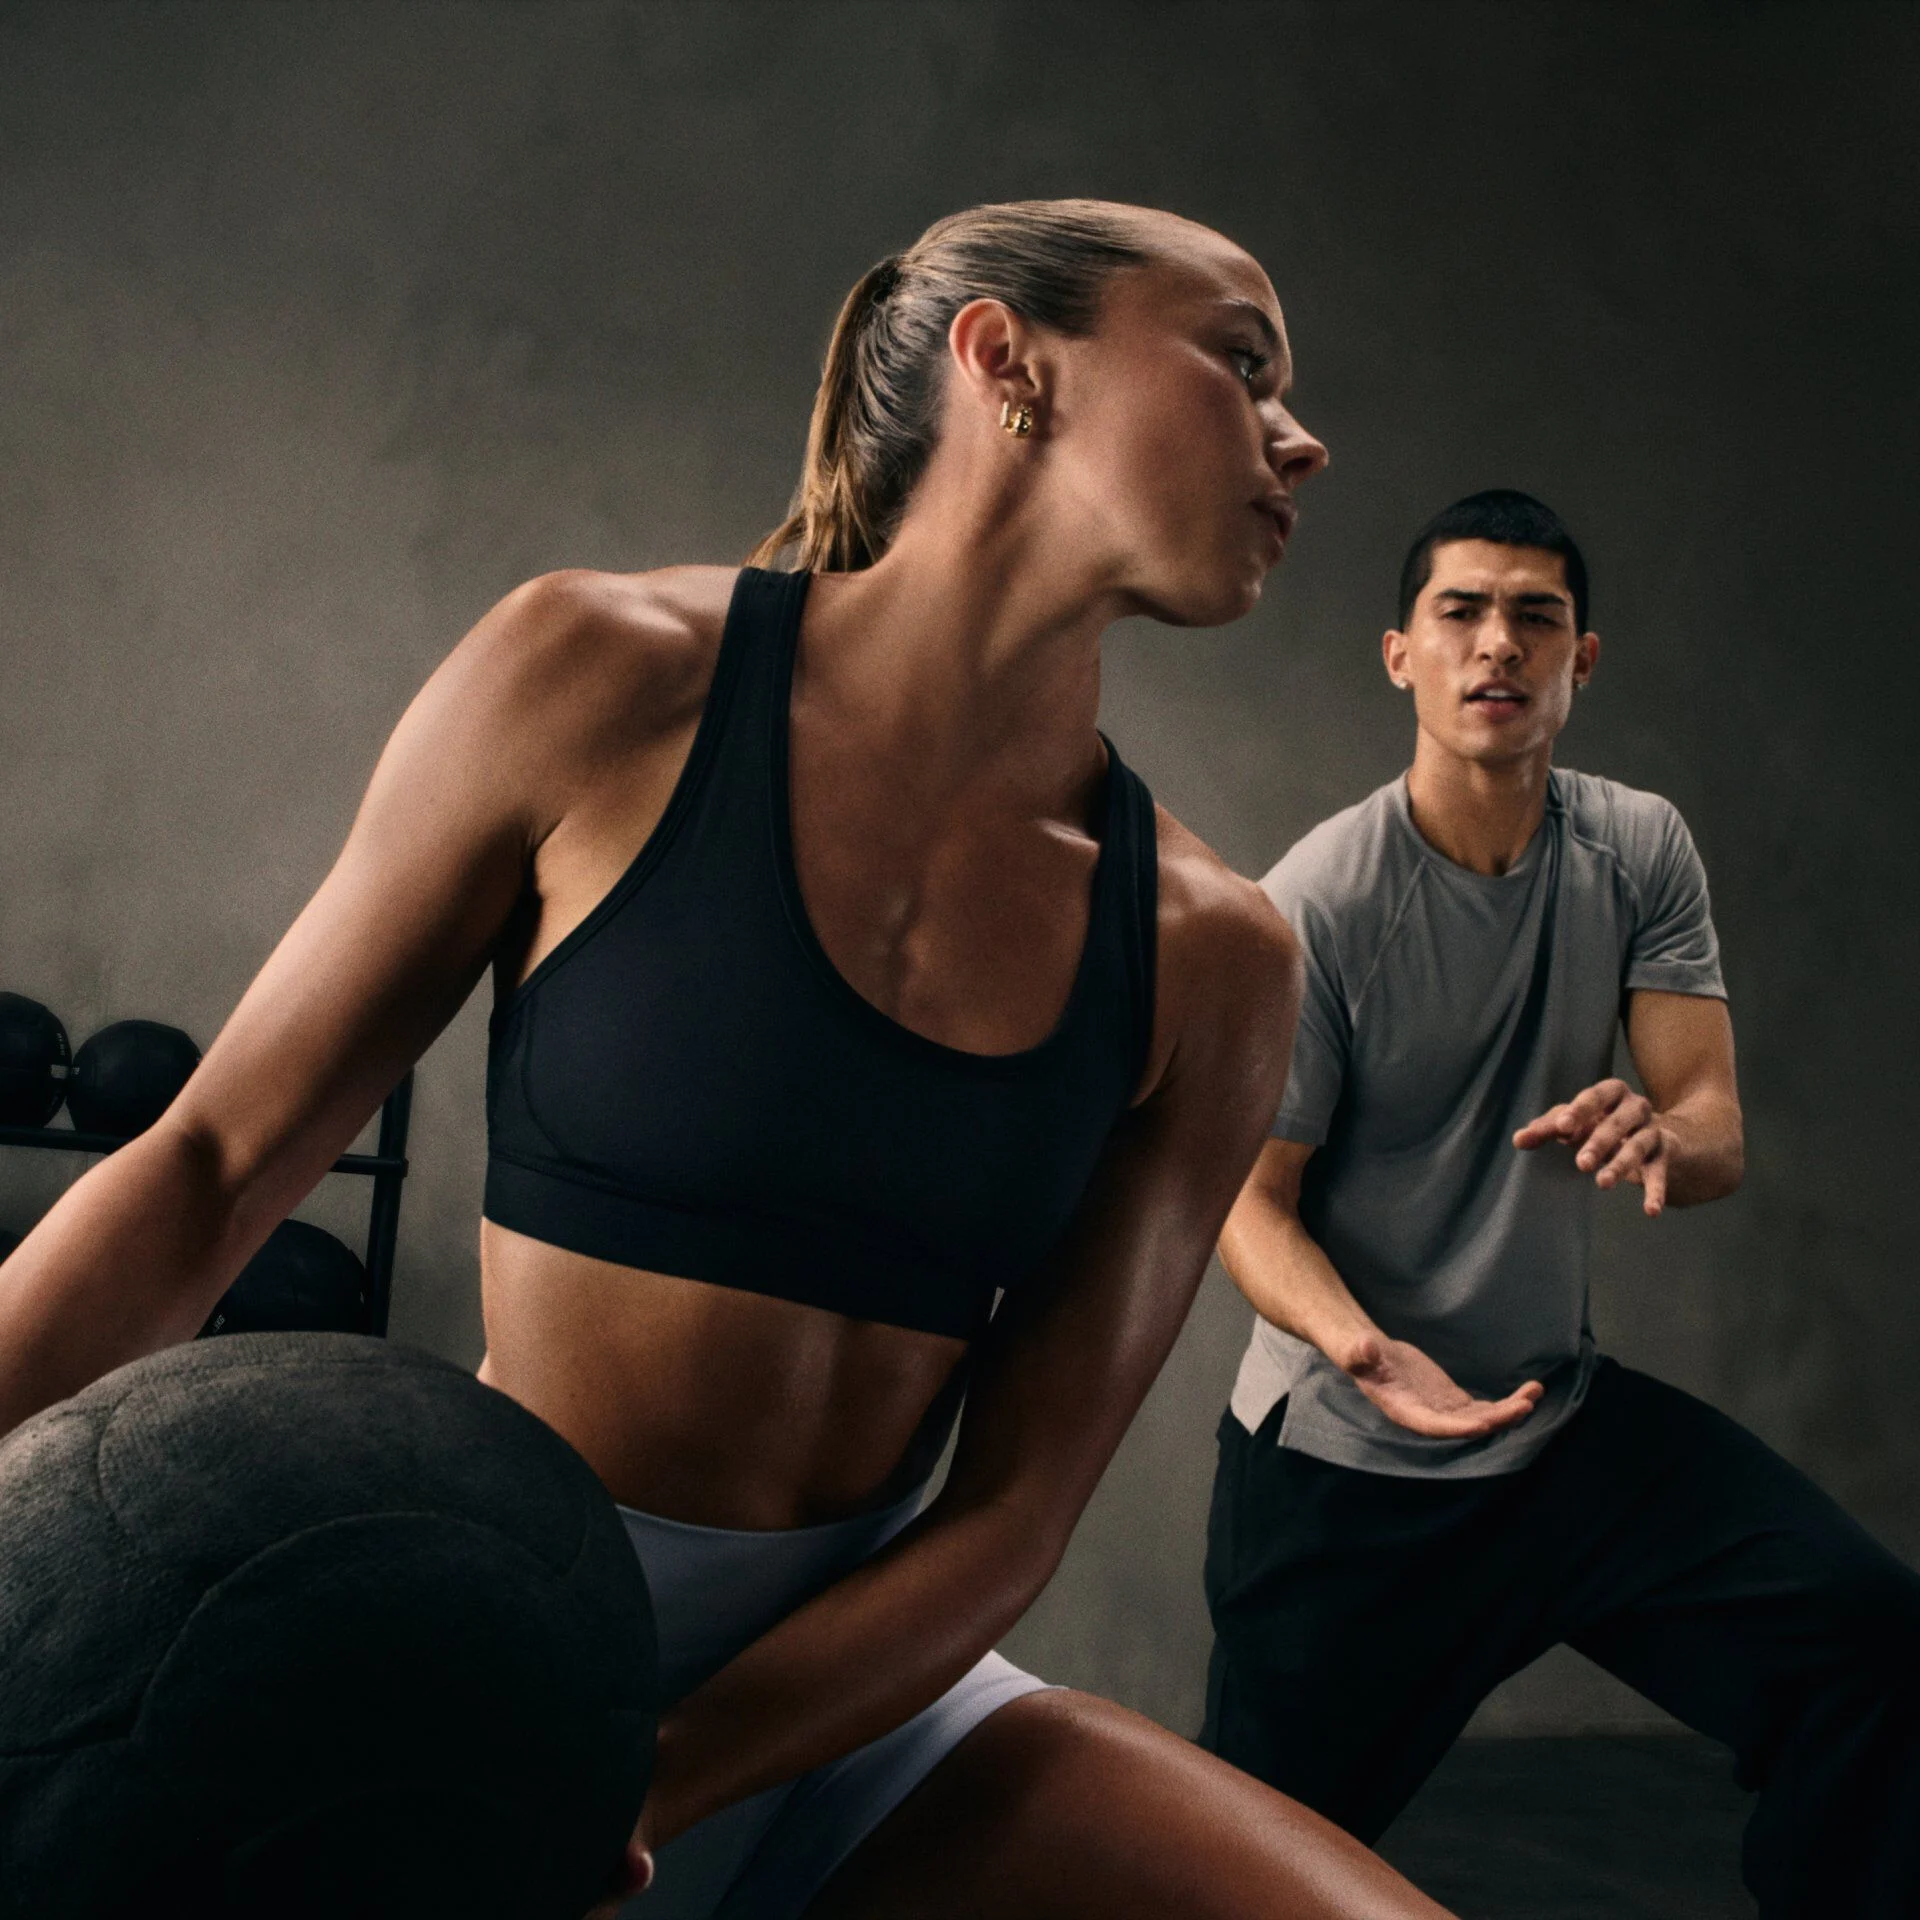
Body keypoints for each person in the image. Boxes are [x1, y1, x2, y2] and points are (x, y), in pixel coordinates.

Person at [0, 201, 1454, 1920]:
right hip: (457, 1639)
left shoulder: (1216, 953)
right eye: (1242, 359)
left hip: (848, 1711)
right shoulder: (597, 681)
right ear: (1010, 363)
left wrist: (644, 1780)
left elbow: (1009, 1516)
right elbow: (209, 1171)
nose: (1305, 434)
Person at [1203, 488, 1920, 1917]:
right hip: (1353, 1479)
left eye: (1536, 616)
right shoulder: (1317, 907)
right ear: (1398, 654)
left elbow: (1713, 1136)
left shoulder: (1637, 846)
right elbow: (1246, 1207)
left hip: (1556, 1435)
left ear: (1581, 662)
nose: (1498, 645)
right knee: (1242, 1877)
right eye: (1460, 611)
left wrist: (1662, 1127)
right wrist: (1359, 1347)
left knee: (1877, 1643)